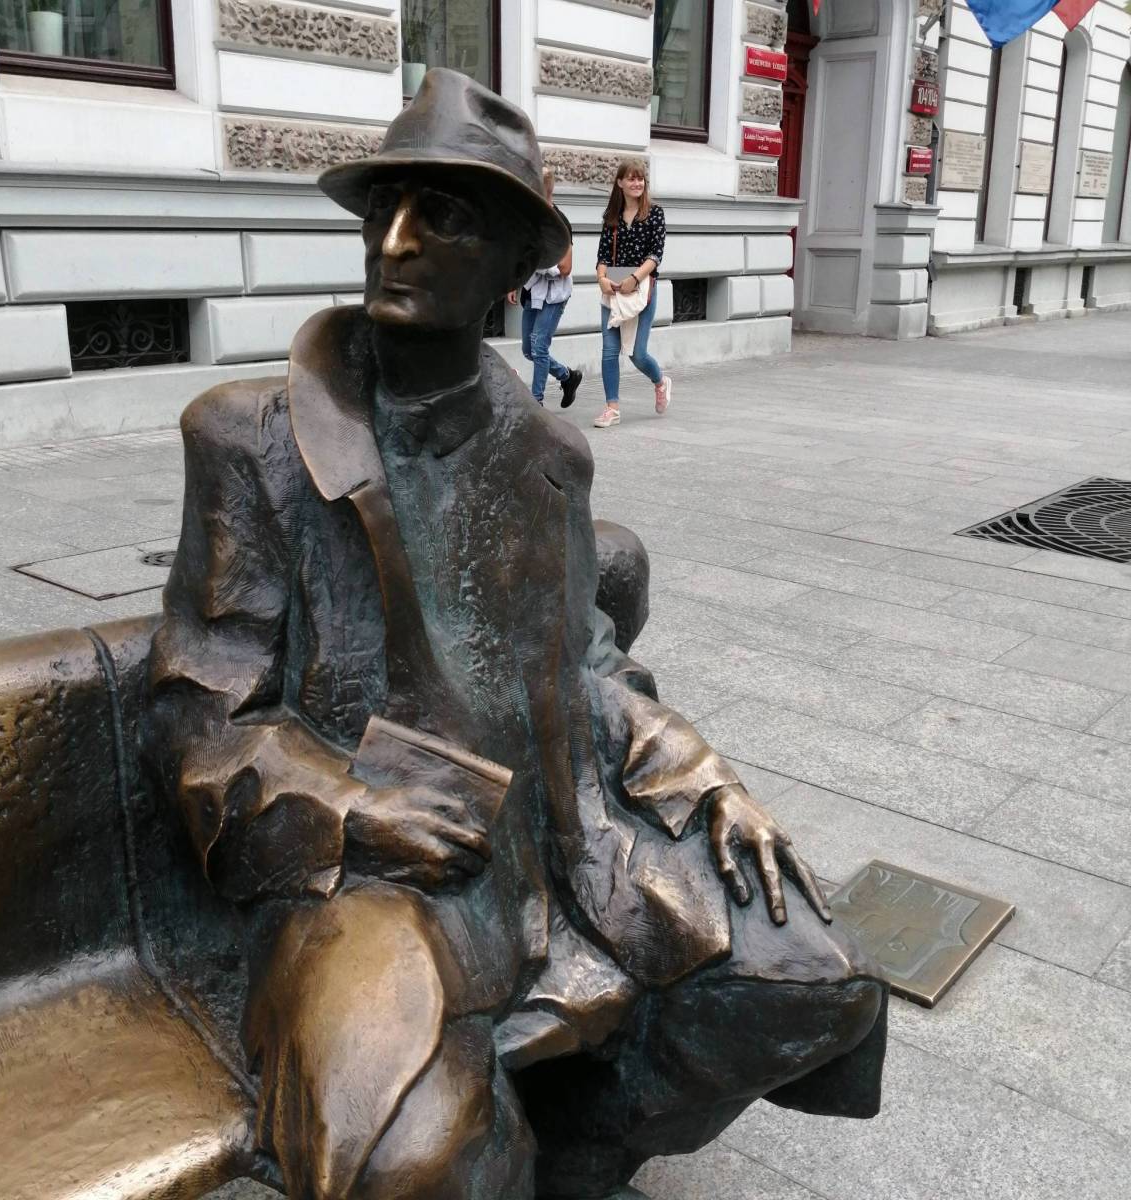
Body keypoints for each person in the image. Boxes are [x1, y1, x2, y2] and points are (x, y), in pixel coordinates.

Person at [145, 69, 885, 1200]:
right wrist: (356, 808)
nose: (394, 241)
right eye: (383, 209)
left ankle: (579, 1153)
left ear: (514, 264)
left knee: (817, 983)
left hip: (560, 836)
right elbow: (202, 719)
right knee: (410, 1165)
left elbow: (588, 661)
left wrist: (699, 773)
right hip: (360, 878)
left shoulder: (549, 455)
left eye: (440, 215)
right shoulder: (251, 441)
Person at [593, 160, 672, 430]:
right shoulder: (612, 216)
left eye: (640, 179)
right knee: (609, 350)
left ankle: (660, 381)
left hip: (642, 287)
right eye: (631, 178)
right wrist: (601, 279)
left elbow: (655, 255)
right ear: (620, 183)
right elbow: (603, 256)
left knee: (637, 354)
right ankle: (612, 408)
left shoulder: (655, 213)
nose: (637, 183)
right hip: (613, 288)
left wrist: (634, 278)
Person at [509, 166, 583, 409]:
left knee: (539, 348)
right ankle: (567, 377)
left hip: (554, 295)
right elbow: (520, 255)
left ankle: (537, 403)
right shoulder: (528, 219)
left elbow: (565, 267)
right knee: (528, 350)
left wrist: (535, 266)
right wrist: (515, 281)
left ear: (544, 190)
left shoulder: (559, 222)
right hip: (533, 291)